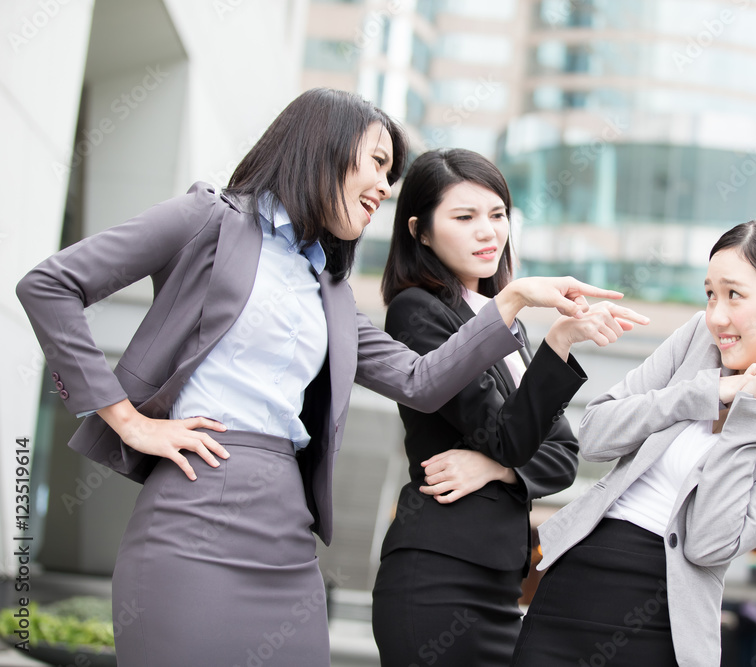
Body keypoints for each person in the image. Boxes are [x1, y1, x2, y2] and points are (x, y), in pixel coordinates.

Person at [15, 89, 624, 667]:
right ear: (324, 147)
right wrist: (126, 418)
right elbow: (49, 286)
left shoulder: (330, 290)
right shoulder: (210, 218)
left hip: (288, 531)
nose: (387, 187)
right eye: (379, 164)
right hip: (193, 510)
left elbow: (420, 380)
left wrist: (512, 301)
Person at [512, 219, 756, 667]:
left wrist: (754, 416)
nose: (717, 315)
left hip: (662, 618)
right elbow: (596, 435)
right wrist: (707, 391)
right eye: (711, 293)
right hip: (573, 584)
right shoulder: (698, 338)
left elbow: (707, 544)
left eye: (735, 294)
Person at [369, 148, 648, 666]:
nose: (488, 232)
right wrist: (533, 318)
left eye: (497, 215)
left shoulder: (507, 331)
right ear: (420, 231)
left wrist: (496, 468)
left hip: (498, 582)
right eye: (464, 217)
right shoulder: (418, 312)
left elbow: (562, 454)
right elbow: (510, 437)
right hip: (438, 575)